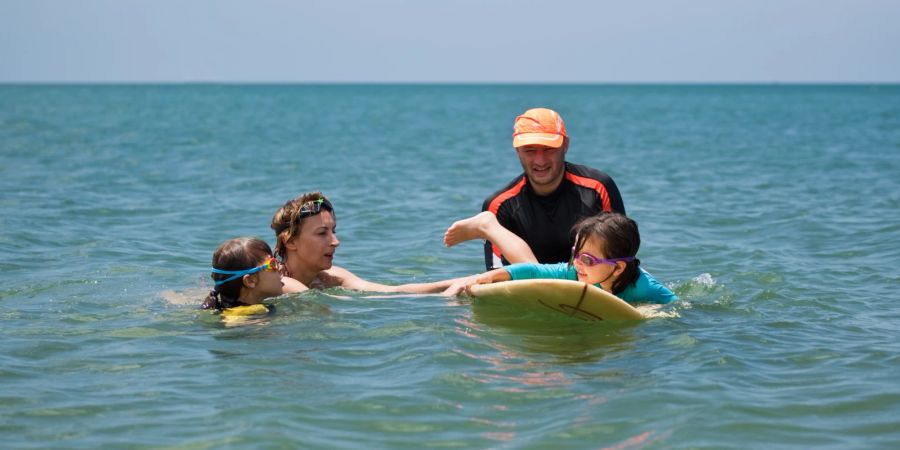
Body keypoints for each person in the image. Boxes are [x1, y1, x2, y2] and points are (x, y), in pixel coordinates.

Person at [473, 107, 626, 270]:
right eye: (530, 151)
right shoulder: (499, 205)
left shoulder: (599, 188)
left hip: (589, 281)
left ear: (565, 145)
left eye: (549, 149)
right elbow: (496, 274)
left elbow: (622, 258)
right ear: (517, 151)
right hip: (527, 287)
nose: (540, 161)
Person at [444, 212, 677, 304]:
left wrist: (650, 314)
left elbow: (678, 308)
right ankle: (408, 291)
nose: (577, 263)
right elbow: (533, 271)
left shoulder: (645, 288)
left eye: (587, 259)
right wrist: (489, 276)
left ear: (617, 269)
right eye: (575, 254)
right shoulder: (574, 272)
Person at [271, 191, 460, 293]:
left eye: (333, 231)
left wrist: (462, 281)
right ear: (290, 241)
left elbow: (394, 292)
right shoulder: (277, 283)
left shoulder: (330, 278)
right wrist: (449, 296)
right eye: (322, 233)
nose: (335, 242)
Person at [202, 237, 288, 316]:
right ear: (250, 281)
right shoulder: (248, 316)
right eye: (272, 264)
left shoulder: (232, 311)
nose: (280, 267)